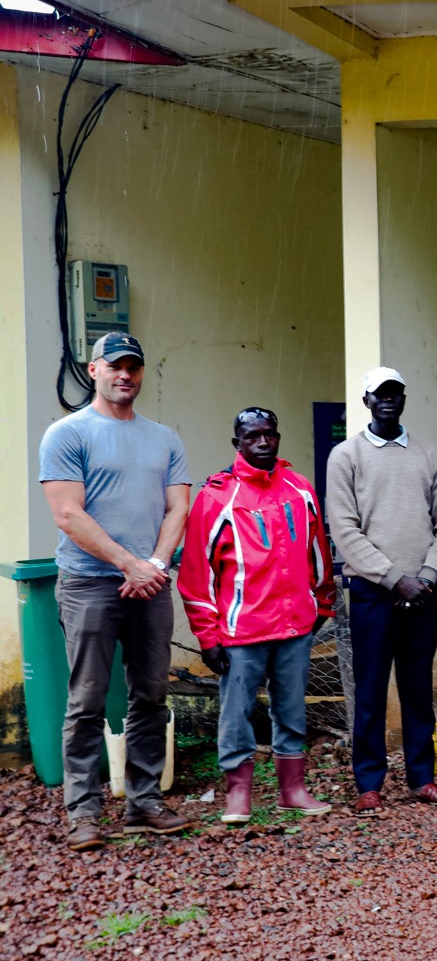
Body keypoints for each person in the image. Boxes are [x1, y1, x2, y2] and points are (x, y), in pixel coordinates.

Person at [39, 332, 193, 850]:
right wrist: (129, 564)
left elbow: (178, 508)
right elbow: (67, 513)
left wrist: (153, 564)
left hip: (149, 584)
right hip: (89, 583)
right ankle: (84, 813)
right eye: (115, 366)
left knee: (151, 693)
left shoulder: (165, 437)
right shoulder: (67, 433)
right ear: (93, 369)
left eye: (134, 367)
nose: (125, 375)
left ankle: (143, 802)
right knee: (87, 699)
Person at [178, 407, 336, 823]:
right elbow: (197, 573)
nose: (263, 442)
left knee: (292, 709)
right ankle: (238, 794)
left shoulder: (300, 489)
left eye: (270, 434)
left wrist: (320, 605)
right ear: (238, 444)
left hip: (295, 626)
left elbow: (319, 553)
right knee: (236, 714)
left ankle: (293, 789)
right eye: (253, 436)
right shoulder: (215, 498)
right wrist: (207, 636)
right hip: (241, 629)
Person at [326, 367, 437, 815]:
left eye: (395, 393)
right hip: (372, 594)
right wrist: (390, 577)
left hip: (423, 592)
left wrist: (430, 575)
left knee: (419, 687)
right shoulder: (346, 456)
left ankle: (422, 779)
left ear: (403, 399)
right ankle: (369, 783)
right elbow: (344, 529)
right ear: (366, 401)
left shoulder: (428, 454)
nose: (388, 400)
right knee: (371, 690)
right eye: (379, 394)